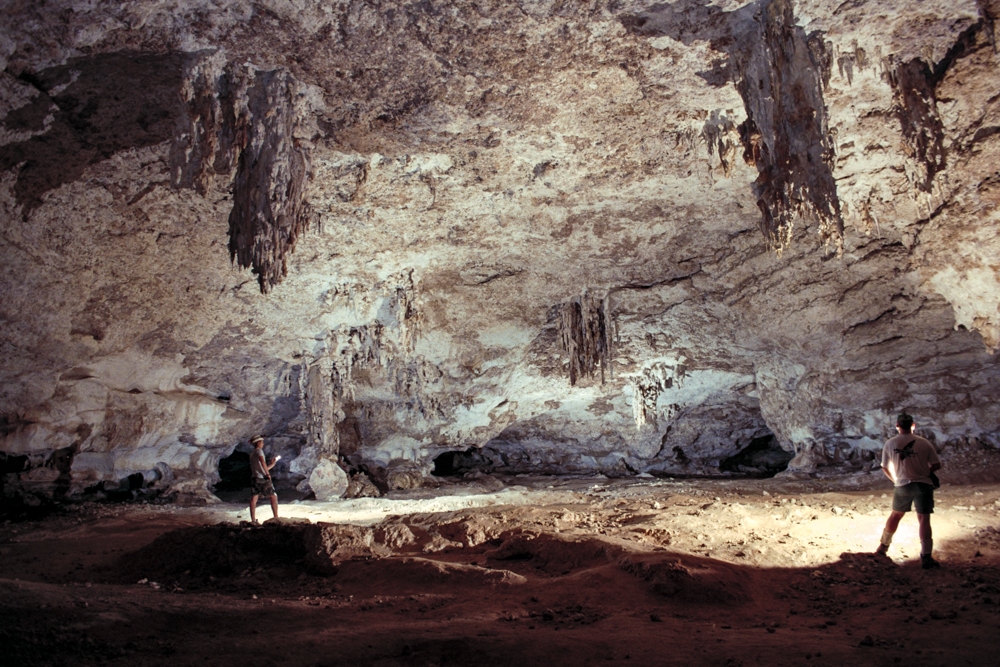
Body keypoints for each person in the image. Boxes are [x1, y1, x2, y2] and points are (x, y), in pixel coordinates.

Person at [875, 412, 942, 568]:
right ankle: (926, 557)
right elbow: (936, 464)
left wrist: (896, 480)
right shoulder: (924, 443)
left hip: (903, 485)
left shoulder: (890, 443)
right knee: (924, 519)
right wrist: (926, 471)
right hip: (923, 485)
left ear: (897, 426)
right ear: (913, 425)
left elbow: (884, 467)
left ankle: (882, 548)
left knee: (895, 516)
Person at [249, 435, 279, 524]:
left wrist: (272, 464)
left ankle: (253, 519)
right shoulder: (259, 451)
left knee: (254, 498)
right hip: (262, 478)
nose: (263, 444)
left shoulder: (252, 454)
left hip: (255, 478)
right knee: (273, 496)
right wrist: (267, 474)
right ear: (258, 443)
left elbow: (260, 467)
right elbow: (262, 462)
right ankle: (276, 517)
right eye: (262, 442)